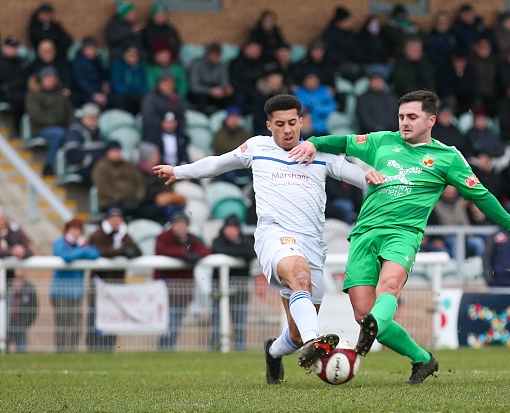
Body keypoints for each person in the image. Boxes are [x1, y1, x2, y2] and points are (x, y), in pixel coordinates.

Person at [289, 90, 510, 384]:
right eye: (401, 117)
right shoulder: (382, 141)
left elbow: (481, 195)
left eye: (412, 117)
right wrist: (312, 142)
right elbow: (344, 143)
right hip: (364, 234)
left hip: (404, 234)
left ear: (431, 120)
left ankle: (367, 339)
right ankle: (423, 359)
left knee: (389, 287)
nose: (404, 123)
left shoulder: (447, 157)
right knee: (365, 314)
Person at [153, 94, 377, 382]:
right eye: (280, 124)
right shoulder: (257, 147)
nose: (288, 130)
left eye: (293, 123)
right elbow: (219, 163)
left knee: (294, 333)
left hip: (312, 243)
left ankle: (274, 351)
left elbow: (361, 178)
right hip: (275, 235)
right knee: (298, 276)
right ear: (269, 125)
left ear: (301, 122)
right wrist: (178, 171)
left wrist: (378, 177)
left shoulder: (318, 152)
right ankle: (314, 342)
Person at [154, 212, 212, 350]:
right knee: (170, 323)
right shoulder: (164, 238)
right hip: (165, 289)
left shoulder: (191, 239)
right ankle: (164, 349)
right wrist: (184, 254)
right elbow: (162, 250)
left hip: (183, 290)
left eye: (183, 224)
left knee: (176, 323)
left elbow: (206, 250)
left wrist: (195, 255)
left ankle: (167, 349)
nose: (180, 227)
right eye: (177, 224)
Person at [86, 207, 141, 350]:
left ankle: (109, 346)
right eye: (113, 218)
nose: (116, 221)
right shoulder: (98, 235)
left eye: (118, 218)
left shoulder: (124, 235)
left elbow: (137, 251)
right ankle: (93, 347)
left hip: (116, 285)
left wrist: (130, 251)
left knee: (112, 317)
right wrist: (121, 251)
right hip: (100, 284)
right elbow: (99, 251)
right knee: (95, 316)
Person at [51, 218, 100, 351]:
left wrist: (80, 250)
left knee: (77, 324)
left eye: (78, 230)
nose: (76, 232)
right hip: (60, 291)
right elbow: (65, 257)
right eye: (73, 229)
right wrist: (83, 251)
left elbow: (95, 253)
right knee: (62, 323)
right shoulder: (60, 243)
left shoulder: (81, 244)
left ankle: (73, 350)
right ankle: (61, 350)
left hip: (76, 292)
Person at [210, 215, 256, 351]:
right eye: (228, 228)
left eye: (234, 228)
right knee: (216, 322)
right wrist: (239, 255)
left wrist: (235, 252)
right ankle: (215, 348)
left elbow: (252, 253)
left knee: (240, 322)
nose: (231, 231)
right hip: (219, 287)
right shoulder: (217, 241)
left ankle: (240, 349)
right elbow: (219, 250)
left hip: (240, 288)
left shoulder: (246, 241)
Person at [25, 65, 74, 176]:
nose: (51, 81)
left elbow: (70, 112)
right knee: (58, 134)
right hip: (41, 128)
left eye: (53, 78)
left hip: (61, 126)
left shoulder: (61, 94)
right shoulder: (33, 95)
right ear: (42, 79)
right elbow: (36, 115)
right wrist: (56, 121)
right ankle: (49, 165)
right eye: (48, 78)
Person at [92, 140, 147, 217]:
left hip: (133, 201)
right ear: (107, 152)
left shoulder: (129, 166)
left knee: (148, 212)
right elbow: (103, 187)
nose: (116, 153)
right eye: (113, 151)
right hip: (110, 202)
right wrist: (119, 199)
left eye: (118, 151)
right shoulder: (101, 168)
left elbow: (140, 182)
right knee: (116, 214)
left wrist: (138, 198)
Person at [136, 141, 186, 223]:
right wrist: (159, 196)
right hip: (146, 204)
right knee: (168, 210)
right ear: (148, 158)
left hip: (165, 200)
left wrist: (169, 196)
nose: (158, 157)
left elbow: (170, 184)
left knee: (178, 207)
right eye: (155, 155)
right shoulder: (138, 172)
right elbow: (141, 193)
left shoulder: (162, 168)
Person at [433, 185, 486, 258]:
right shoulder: (436, 206)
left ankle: (480, 268)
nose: (450, 192)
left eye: (452, 190)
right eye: (448, 190)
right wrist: (436, 238)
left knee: (478, 242)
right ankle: (457, 268)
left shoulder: (461, 204)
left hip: (465, 236)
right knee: (455, 242)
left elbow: (467, 222)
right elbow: (434, 224)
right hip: (447, 237)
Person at [61, 103, 106, 184]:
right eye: (90, 118)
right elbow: (71, 154)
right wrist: (90, 160)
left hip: (97, 167)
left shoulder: (99, 133)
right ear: (83, 118)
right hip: (79, 168)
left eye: (95, 118)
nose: (93, 121)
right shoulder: (75, 132)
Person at [141, 71, 187, 143]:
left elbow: (182, 116)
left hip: (175, 134)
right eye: (165, 83)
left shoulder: (177, 99)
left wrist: (176, 123)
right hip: (155, 134)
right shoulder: (150, 98)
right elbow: (149, 117)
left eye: (170, 83)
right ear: (159, 84)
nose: (168, 86)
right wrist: (162, 123)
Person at [0, 36, 32, 135]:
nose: (12, 50)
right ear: (4, 48)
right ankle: (16, 130)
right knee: (18, 101)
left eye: (14, 47)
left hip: (23, 92)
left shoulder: (22, 62)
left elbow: (30, 79)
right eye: (10, 47)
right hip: (6, 93)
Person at [189, 42, 234, 112]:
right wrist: (210, 91)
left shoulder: (222, 66)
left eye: (218, 55)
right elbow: (194, 86)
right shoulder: (197, 64)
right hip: (201, 92)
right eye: (214, 55)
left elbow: (224, 82)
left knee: (230, 97)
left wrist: (226, 89)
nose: (216, 58)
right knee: (201, 97)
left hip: (217, 92)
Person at [322, 6, 362, 81]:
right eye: (347, 21)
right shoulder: (329, 35)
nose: (350, 23)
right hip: (337, 64)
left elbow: (357, 49)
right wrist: (345, 59)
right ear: (339, 22)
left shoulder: (352, 34)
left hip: (353, 62)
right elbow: (330, 53)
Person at [293, 69, 336, 135]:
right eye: (309, 80)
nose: (311, 82)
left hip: (325, 120)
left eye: (313, 79)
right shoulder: (299, 91)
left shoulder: (325, 90)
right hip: (307, 121)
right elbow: (299, 108)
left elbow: (332, 107)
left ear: (318, 80)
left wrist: (316, 108)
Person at [71, 37, 110, 108]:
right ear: (83, 50)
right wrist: (94, 94)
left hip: (99, 90)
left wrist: (105, 82)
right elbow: (81, 82)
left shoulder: (97, 60)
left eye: (93, 49)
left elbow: (103, 74)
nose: (91, 52)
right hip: (85, 93)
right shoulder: (77, 63)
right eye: (88, 49)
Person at [110, 46, 149, 114]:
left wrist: (139, 92)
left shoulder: (142, 66)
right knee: (121, 99)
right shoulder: (117, 66)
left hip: (138, 94)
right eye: (130, 55)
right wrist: (131, 92)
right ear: (124, 55)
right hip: (125, 95)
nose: (133, 57)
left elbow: (146, 83)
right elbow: (117, 84)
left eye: (135, 55)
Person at [229, 40, 265, 112]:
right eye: (255, 49)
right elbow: (235, 81)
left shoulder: (260, 64)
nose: (257, 52)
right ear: (246, 49)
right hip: (241, 91)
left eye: (259, 50)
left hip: (256, 91)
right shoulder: (236, 63)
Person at [7, 274, 38, 353]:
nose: (17, 283)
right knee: (4, 346)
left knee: (21, 349)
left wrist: (25, 323)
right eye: (15, 280)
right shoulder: (6, 290)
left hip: (21, 324)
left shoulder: (28, 290)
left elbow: (33, 309)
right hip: (7, 324)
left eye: (19, 280)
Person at [251, 71, 288, 136]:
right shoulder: (260, 96)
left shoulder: (285, 96)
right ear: (268, 81)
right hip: (264, 128)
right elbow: (258, 116)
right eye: (274, 81)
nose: (277, 83)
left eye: (279, 81)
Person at [470, 36, 499, 116]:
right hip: (476, 94)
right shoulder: (470, 61)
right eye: (481, 46)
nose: (484, 49)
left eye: (486, 47)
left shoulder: (495, 61)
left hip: (491, 93)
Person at [357, 14, 392, 79]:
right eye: (372, 23)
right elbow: (360, 54)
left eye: (377, 23)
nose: (375, 25)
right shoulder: (362, 37)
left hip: (383, 64)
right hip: (368, 64)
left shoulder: (383, 36)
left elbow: (387, 50)